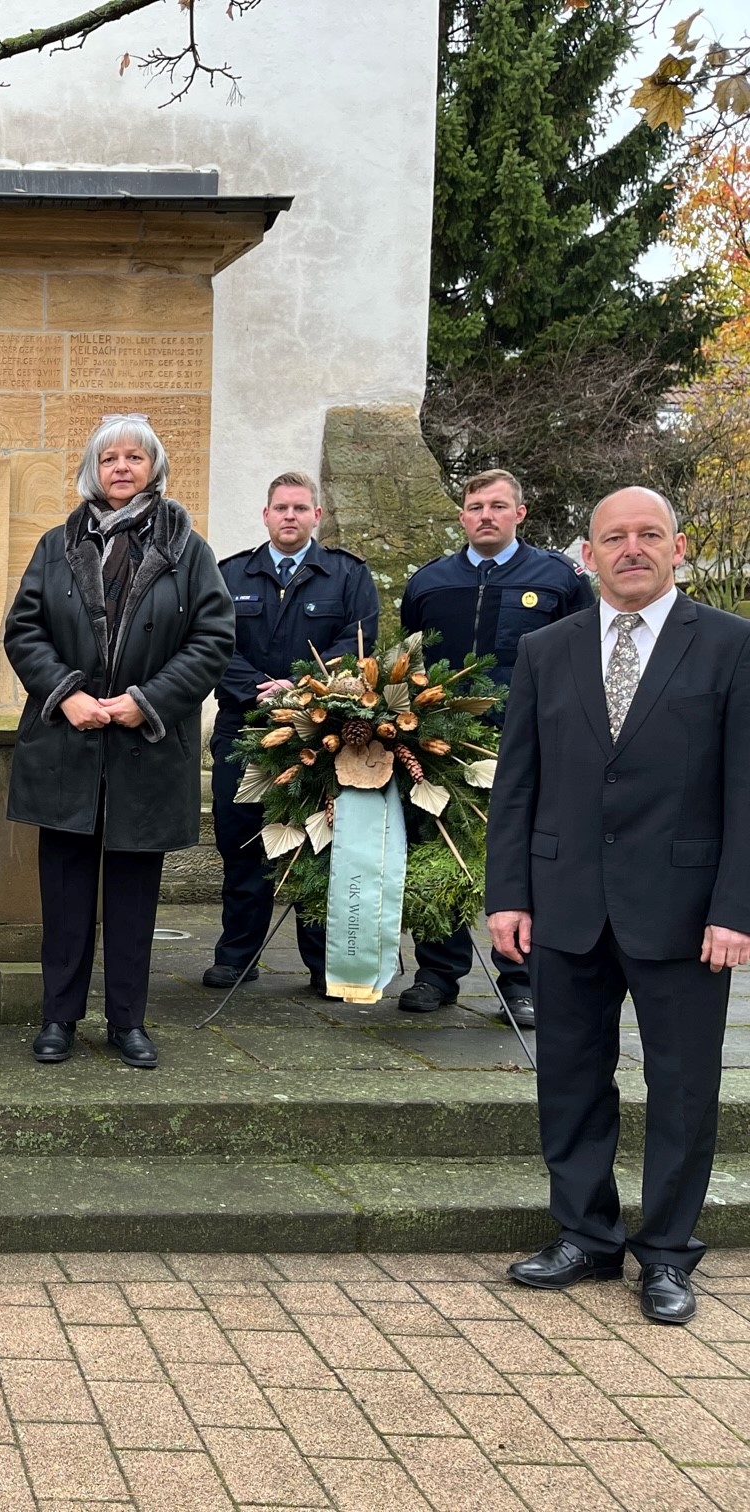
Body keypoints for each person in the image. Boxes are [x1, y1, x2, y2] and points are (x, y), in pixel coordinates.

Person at [487, 487, 750, 1325]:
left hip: (683, 910)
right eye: (613, 537)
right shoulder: (545, 649)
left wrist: (735, 908)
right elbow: (517, 785)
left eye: (648, 535)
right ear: (588, 555)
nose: (630, 548)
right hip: (564, 906)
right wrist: (508, 897)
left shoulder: (732, 647)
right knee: (569, 1078)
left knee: (681, 1088)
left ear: (678, 548)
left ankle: (667, 1253)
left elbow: (746, 791)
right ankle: (586, 1236)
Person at [5, 416, 233, 1069]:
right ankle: (59, 1019)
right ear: (93, 470)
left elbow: (213, 641)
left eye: (136, 457)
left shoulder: (190, 550)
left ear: (154, 468)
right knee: (66, 893)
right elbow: (25, 632)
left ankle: (127, 1021)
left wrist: (147, 701)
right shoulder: (56, 544)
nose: (123, 468)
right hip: (67, 747)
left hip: (146, 751)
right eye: (111, 458)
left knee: (134, 898)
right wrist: (67, 693)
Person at [398, 468, 593, 1024]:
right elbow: (411, 658)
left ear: (519, 514)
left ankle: (522, 982)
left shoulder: (558, 579)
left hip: (529, 745)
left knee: (526, 861)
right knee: (439, 853)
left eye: (498, 506)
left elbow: (583, 660)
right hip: (441, 746)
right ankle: (437, 973)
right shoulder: (430, 582)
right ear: (462, 516)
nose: (487, 515)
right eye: (477, 505)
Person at [206, 471, 379, 995]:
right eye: (281, 508)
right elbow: (211, 643)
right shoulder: (231, 573)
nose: (290, 516)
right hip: (246, 727)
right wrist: (262, 687)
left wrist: (301, 687)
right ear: (265, 515)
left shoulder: (347, 576)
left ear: (316, 517)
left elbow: (359, 645)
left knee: (318, 843)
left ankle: (323, 964)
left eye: (300, 508)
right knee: (241, 842)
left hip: (319, 732)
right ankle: (238, 956)